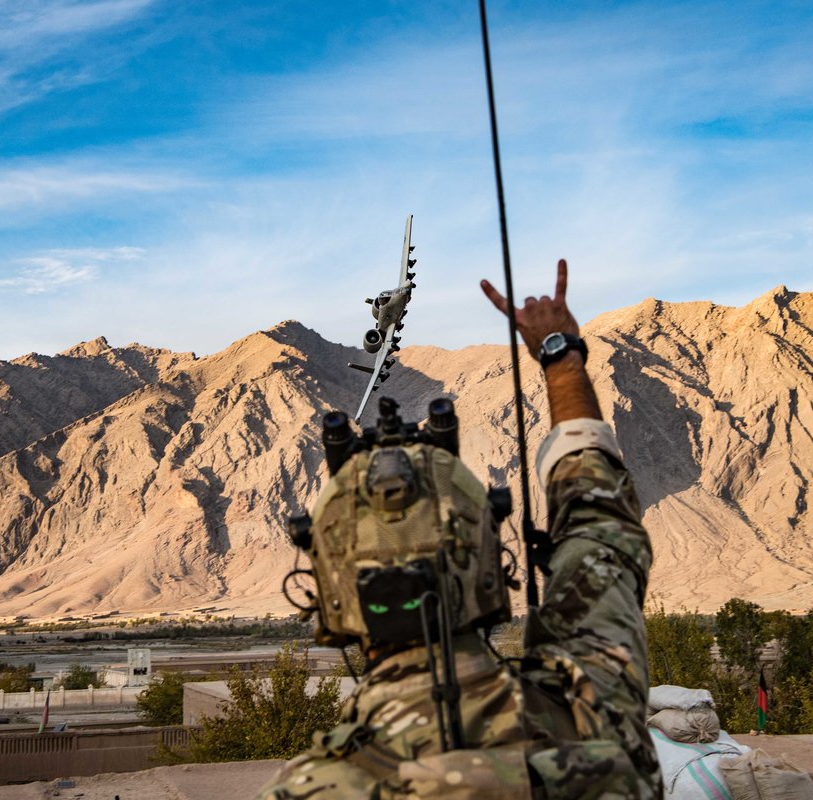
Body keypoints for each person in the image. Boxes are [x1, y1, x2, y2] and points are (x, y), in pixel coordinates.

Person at [259, 260, 662, 798]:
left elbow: (600, 526)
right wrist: (560, 354)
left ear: (330, 593)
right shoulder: (590, 709)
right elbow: (600, 524)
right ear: (493, 566)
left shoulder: (310, 789)